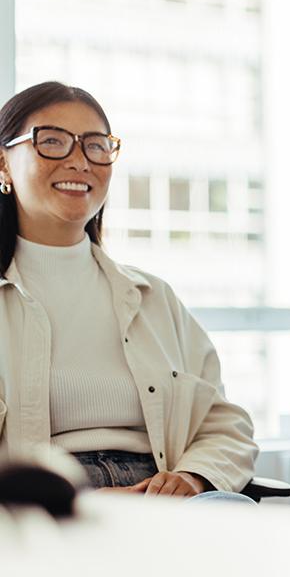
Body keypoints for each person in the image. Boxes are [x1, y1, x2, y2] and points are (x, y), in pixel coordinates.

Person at [0, 82, 258, 500]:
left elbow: (224, 426)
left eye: (96, 146)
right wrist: (77, 500)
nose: (79, 161)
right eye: (52, 142)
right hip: (43, 504)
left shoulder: (154, 298)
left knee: (230, 509)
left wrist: (192, 477)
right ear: (4, 164)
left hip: (162, 498)